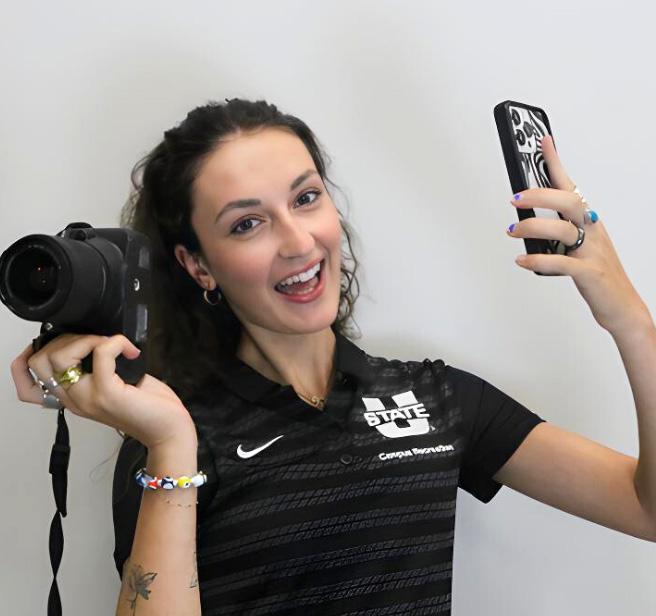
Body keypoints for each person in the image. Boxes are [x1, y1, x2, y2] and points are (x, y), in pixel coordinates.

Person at [10, 98, 656, 616]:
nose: (298, 241)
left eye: (306, 198)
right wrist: (170, 447)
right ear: (197, 265)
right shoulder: (173, 433)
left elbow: (646, 510)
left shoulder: (437, 399)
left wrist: (629, 317)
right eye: (246, 223)